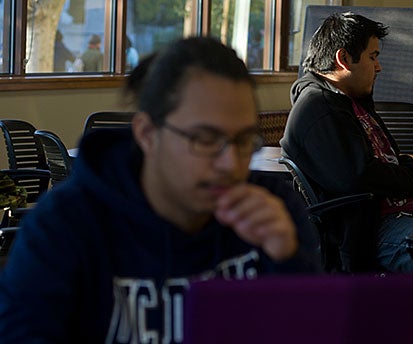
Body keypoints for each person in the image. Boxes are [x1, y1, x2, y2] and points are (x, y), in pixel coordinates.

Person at [0, 37, 321, 342]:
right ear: (147, 134)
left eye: (242, 141)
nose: (231, 165)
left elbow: (316, 331)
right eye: (205, 139)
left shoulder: (272, 209)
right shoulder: (64, 225)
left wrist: (288, 261)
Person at [281, 12, 413, 273]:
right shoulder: (319, 109)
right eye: (372, 56)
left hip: (402, 215)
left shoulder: (349, 101)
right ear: (343, 59)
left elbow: (381, 163)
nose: (379, 67)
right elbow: (362, 176)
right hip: (373, 231)